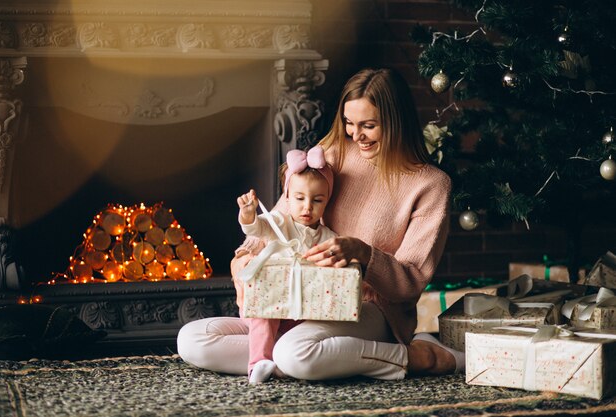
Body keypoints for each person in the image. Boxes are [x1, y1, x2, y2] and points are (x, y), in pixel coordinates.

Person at [177, 67, 464, 381]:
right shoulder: (328, 158)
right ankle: (302, 359)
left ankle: (414, 357)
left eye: (369, 125)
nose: (357, 136)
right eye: (349, 124)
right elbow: (276, 224)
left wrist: (364, 253)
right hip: (296, 298)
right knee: (193, 339)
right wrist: (242, 264)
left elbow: (410, 283)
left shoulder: (430, 185)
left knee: (294, 354)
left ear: (396, 123)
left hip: (368, 309)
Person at [236, 145, 338, 384]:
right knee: (264, 315)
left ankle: (287, 359)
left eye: (317, 200)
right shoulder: (280, 223)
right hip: (270, 302)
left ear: (327, 202)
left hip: (301, 309)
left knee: (316, 321)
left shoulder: (328, 237)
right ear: (287, 197)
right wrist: (248, 214)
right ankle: (258, 364)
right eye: (299, 198)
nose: (307, 207)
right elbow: (255, 228)